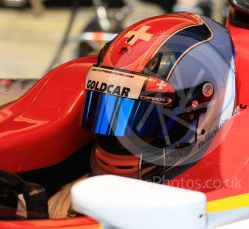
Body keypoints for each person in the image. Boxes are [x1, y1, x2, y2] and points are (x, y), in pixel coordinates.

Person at [2, 12, 236, 220]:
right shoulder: (77, 190)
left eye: (141, 118)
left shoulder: (221, 192)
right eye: (108, 107)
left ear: (199, 110)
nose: (116, 133)